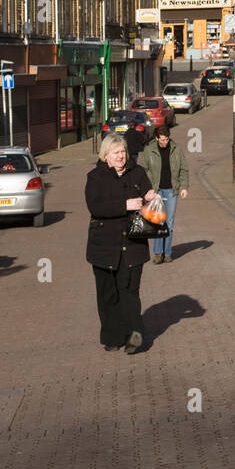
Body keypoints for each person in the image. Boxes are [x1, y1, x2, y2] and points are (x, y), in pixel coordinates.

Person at [85, 133, 157, 353]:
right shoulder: (95, 177)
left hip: (132, 245)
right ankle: (113, 336)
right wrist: (124, 205)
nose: (120, 156)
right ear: (106, 155)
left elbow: (147, 192)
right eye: (115, 152)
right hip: (104, 246)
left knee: (129, 293)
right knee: (108, 294)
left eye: (123, 152)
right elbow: (95, 207)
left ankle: (134, 338)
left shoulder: (138, 172)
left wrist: (150, 195)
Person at [140, 125, 188, 265]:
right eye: (162, 140)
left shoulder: (176, 149)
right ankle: (158, 253)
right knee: (157, 222)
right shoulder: (149, 150)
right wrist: (147, 189)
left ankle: (167, 253)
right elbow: (142, 169)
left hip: (172, 190)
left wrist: (184, 187)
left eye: (167, 139)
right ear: (156, 138)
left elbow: (184, 169)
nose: (165, 142)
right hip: (156, 191)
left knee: (169, 223)